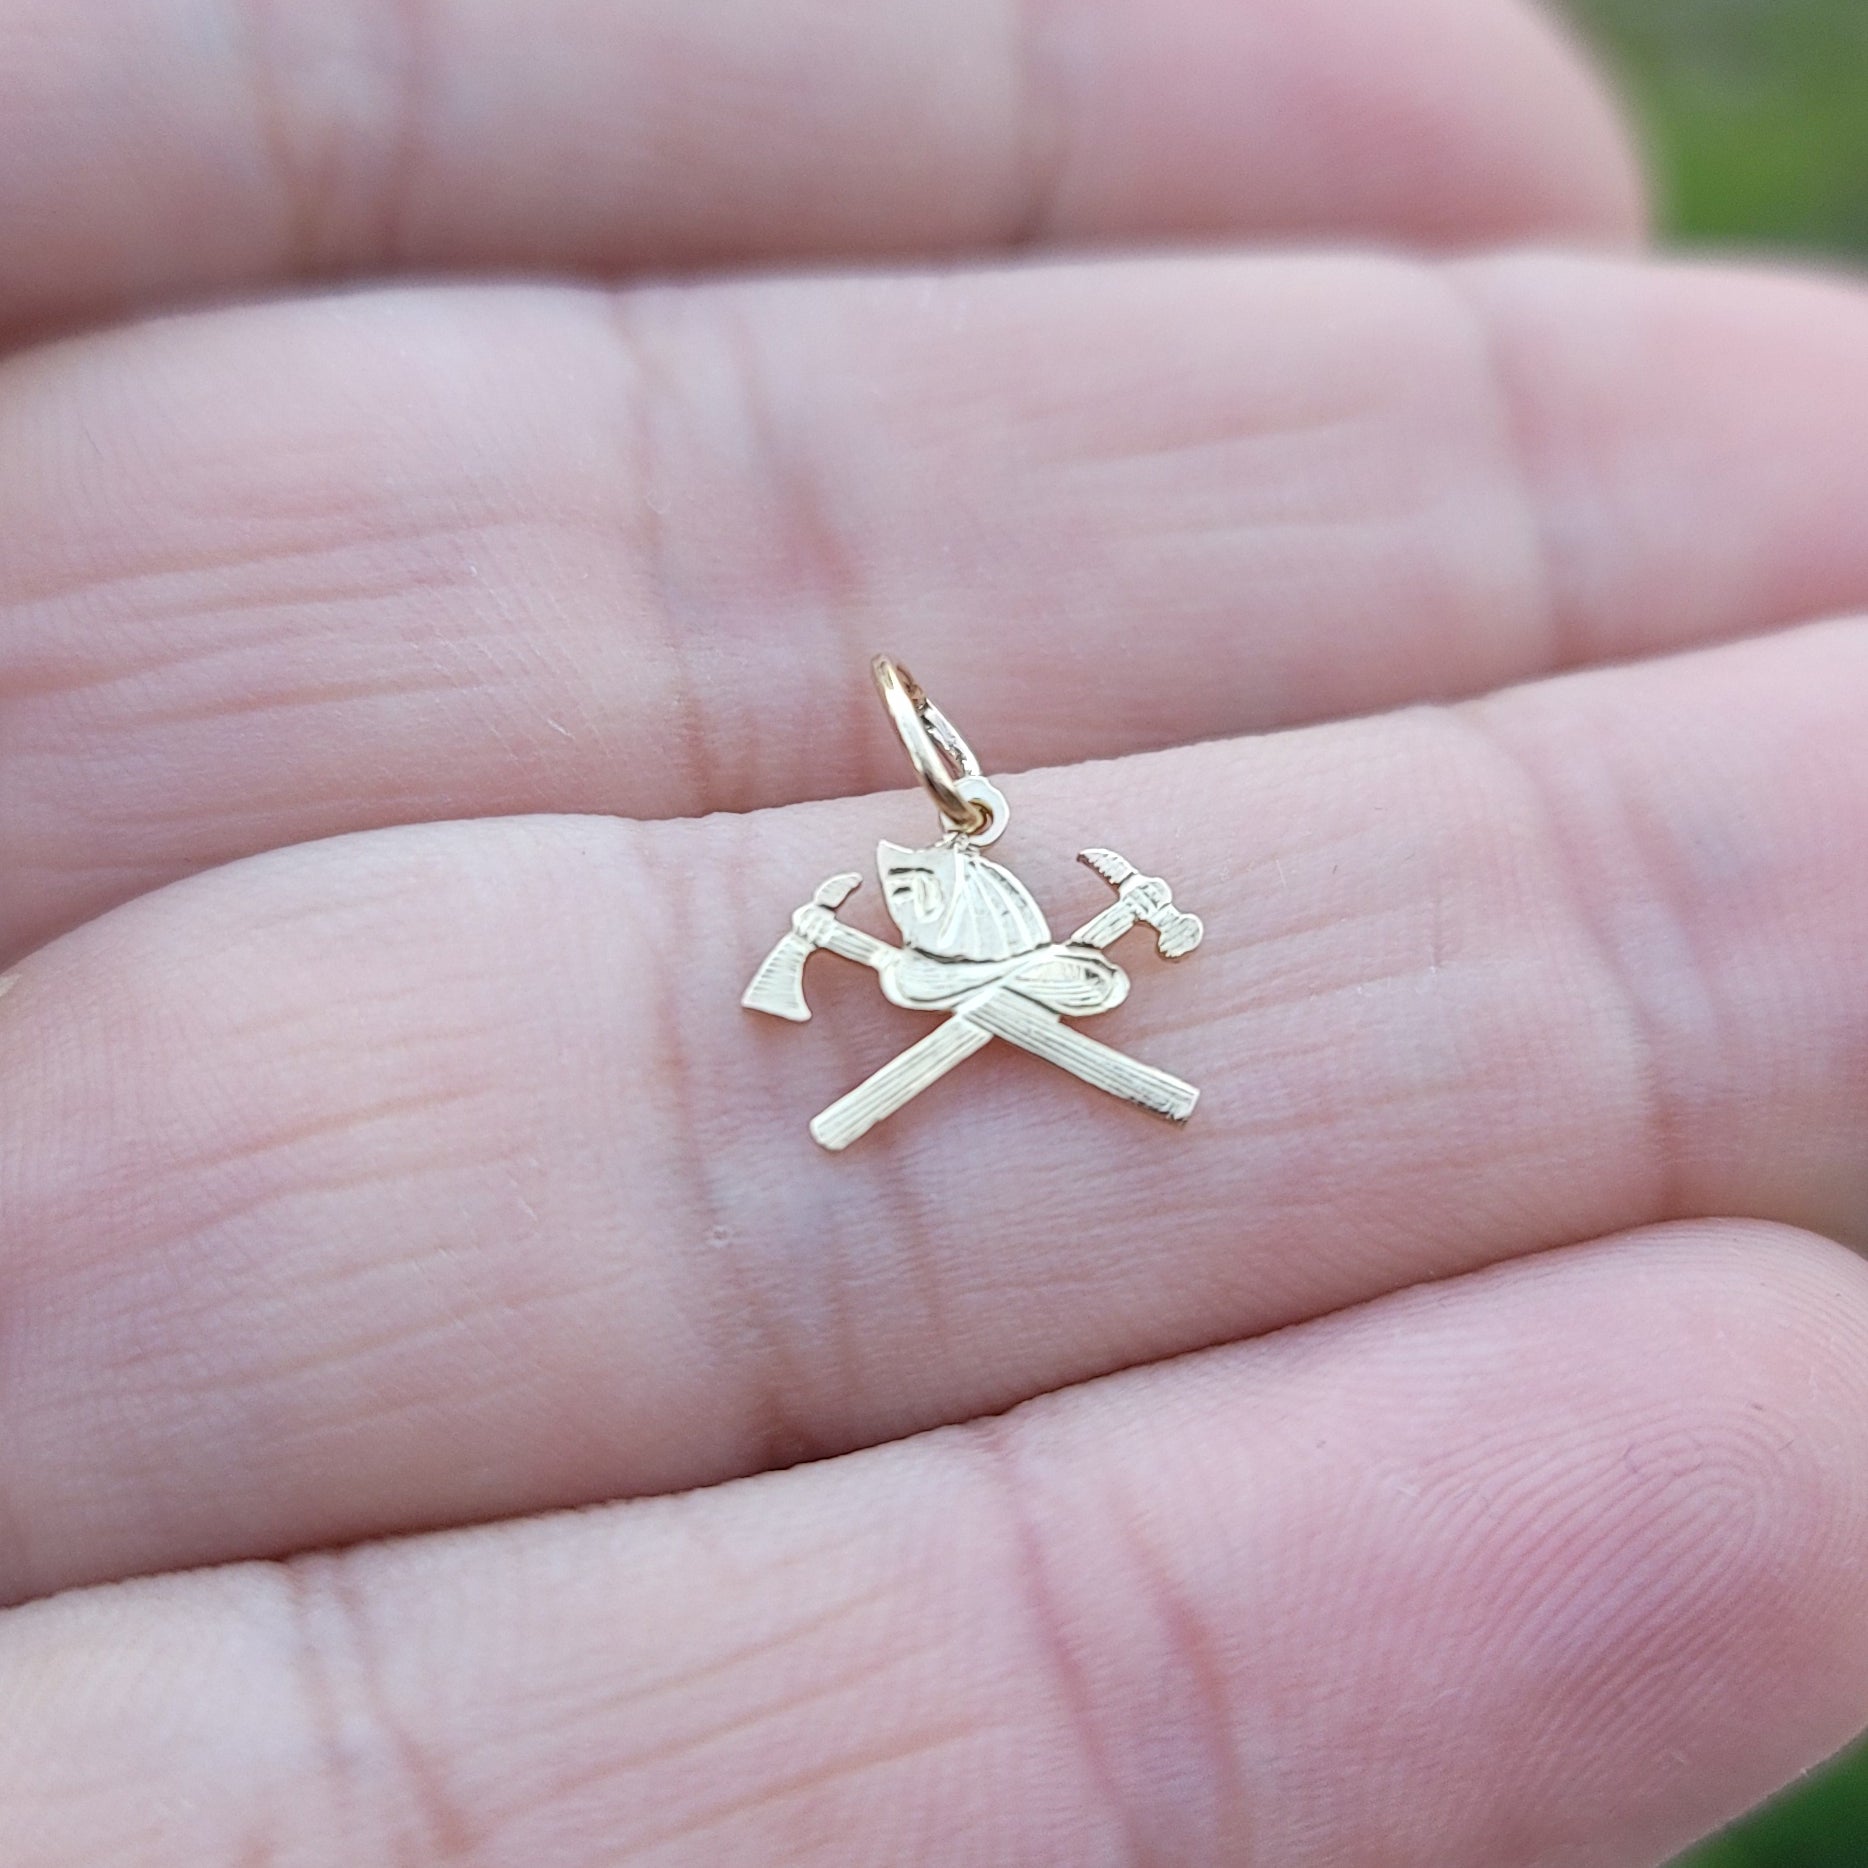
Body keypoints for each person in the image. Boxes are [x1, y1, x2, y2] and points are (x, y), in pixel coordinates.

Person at [1, 2, 1865, 1863]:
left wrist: (1086, 936)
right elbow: (979, 956)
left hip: (985, 980)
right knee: (1018, 1019)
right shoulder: (923, 902)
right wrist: (922, 957)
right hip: (952, 980)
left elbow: (1082, 953)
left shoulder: (992, 897)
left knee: (1037, 1017)